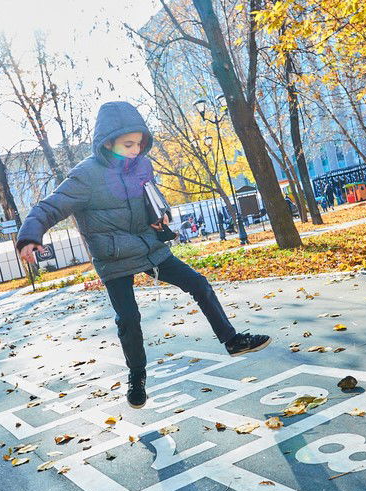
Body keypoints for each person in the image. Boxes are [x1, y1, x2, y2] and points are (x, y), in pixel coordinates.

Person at [16, 101, 271, 409]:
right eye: (128, 144)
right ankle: (137, 377)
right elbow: (49, 207)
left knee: (199, 283)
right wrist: (30, 237)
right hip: (113, 258)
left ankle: (232, 341)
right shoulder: (85, 176)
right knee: (129, 319)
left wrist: (160, 215)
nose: (136, 150)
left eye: (139, 143)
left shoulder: (142, 167)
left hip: (149, 246)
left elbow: (153, 197)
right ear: (107, 142)